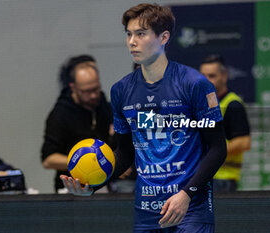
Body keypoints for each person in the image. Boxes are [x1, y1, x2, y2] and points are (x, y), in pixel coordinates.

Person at [60, 3, 227, 232]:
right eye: (129, 34)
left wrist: (188, 194)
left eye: (141, 34)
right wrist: (95, 185)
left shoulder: (194, 84)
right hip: (147, 211)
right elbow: (125, 152)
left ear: (164, 37)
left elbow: (218, 149)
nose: (132, 41)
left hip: (190, 210)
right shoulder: (121, 91)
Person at [41, 55, 115, 193]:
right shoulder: (60, 114)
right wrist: (82, 161)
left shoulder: (101, 102)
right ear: (73, 87)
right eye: (86, 91)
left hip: (101, 183)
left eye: (96, 88)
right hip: (70, 188)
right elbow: (48, 159)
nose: (93, 95)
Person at [200, 54, 251, 192]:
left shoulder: (233, 104)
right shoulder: (204, 105)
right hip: (201, 177)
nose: (206, 80)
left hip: (222, 180)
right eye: (203, 76)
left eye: (212, 76)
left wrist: (209, 154)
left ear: (224, 76)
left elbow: (244, 142)